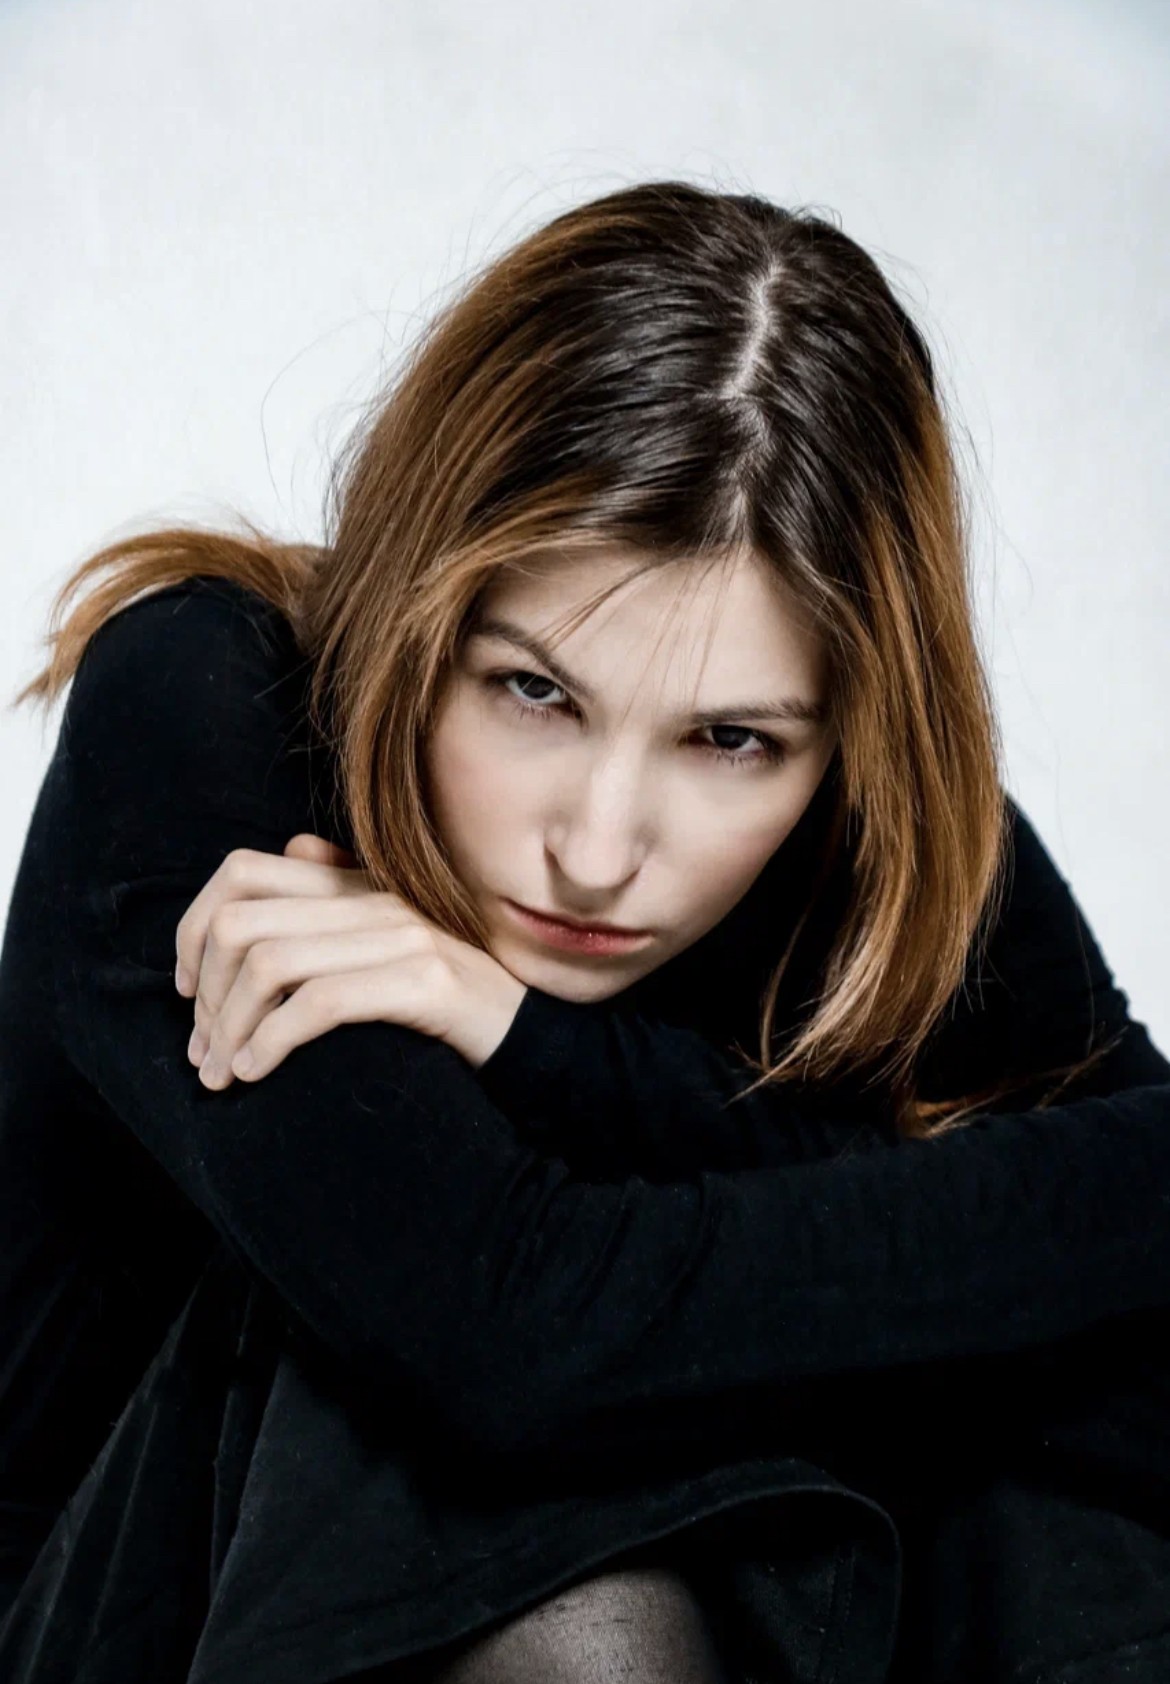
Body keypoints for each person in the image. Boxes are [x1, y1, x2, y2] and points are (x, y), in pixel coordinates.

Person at [3, 180, 1169, 1683]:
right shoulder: (210, 710)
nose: (600, 852)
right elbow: (502, 1337)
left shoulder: (881, 840)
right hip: (122, 1622)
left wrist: (525, 1043)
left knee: (1033, 1500)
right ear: (421, 601)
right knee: (414, 1388)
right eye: (533, 692)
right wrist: (942, 1251)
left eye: (732, 741)